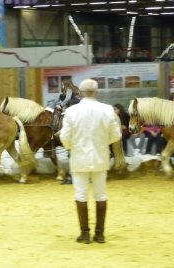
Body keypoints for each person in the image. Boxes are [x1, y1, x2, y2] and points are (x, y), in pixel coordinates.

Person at [59, 79, 121, 244]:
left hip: (79, 158)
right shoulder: (107, 110)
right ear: (97, 92)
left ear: (80, 92)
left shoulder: (71, 111)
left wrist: (72, 146)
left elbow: (64, 137)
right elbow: (116, 135)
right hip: (100, 158)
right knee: (101, 195)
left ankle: (84, 234)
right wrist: (101, 143)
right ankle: (99, 234)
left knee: (81, 195)